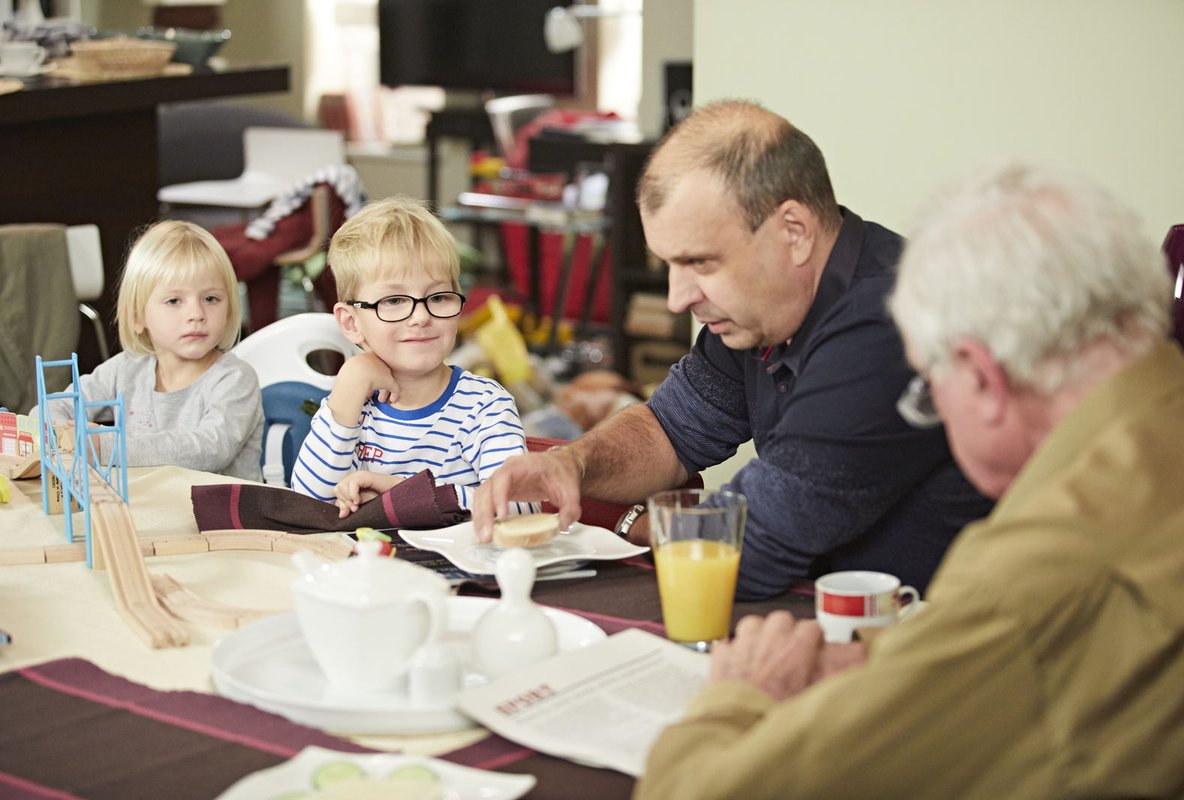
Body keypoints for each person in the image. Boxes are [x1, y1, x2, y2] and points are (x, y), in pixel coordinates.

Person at [634, 162, 1184, 799]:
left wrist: (741, 696)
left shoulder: (1030, 572)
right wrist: (900, 669)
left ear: (982, 380)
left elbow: (691, 794)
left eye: (930, 393)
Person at [474, 100, 991, 599]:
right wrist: (574, 463)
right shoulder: (762, 313)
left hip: (936, 641)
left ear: (794, 233)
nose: (678, 299)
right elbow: (668, 432)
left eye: (701, 263)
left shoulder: (888, 321)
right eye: (670, 266)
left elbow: (746, 552)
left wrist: (634, 524)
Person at [290, 195, 533, 517]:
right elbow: (309, 503)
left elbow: (522, 505)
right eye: (393, 301)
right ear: (351, 323)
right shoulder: (350, 405)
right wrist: (348, 387)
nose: (420, 317)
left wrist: (403, 493)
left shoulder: (483, 406)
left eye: (439, 296)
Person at [35, 220, 263, 482]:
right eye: (174, 301)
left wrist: (105, 445)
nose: (196, 314)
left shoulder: (235, 379)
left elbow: (211, 449)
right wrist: (58, 430)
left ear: (229, 308)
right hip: (153, 509)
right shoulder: (127, 368)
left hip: (226, 519)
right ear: (137, 316)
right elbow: (51, 407)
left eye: (210, 299)